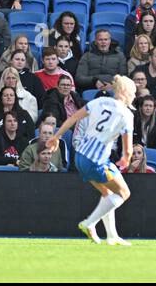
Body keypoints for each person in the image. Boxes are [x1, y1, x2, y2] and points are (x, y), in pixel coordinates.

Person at [48, 75, 135, 246]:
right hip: (96, 160)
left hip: (80, 156)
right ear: (126, 92)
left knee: (107, 194)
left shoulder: (99, 101)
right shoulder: (126, 114)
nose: (134, 96)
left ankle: (112, 236)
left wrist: (56, 137)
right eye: (133, 92)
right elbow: (128, 149)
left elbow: (72, 118)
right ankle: (90, 223)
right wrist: (126, 159)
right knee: (124, 193)